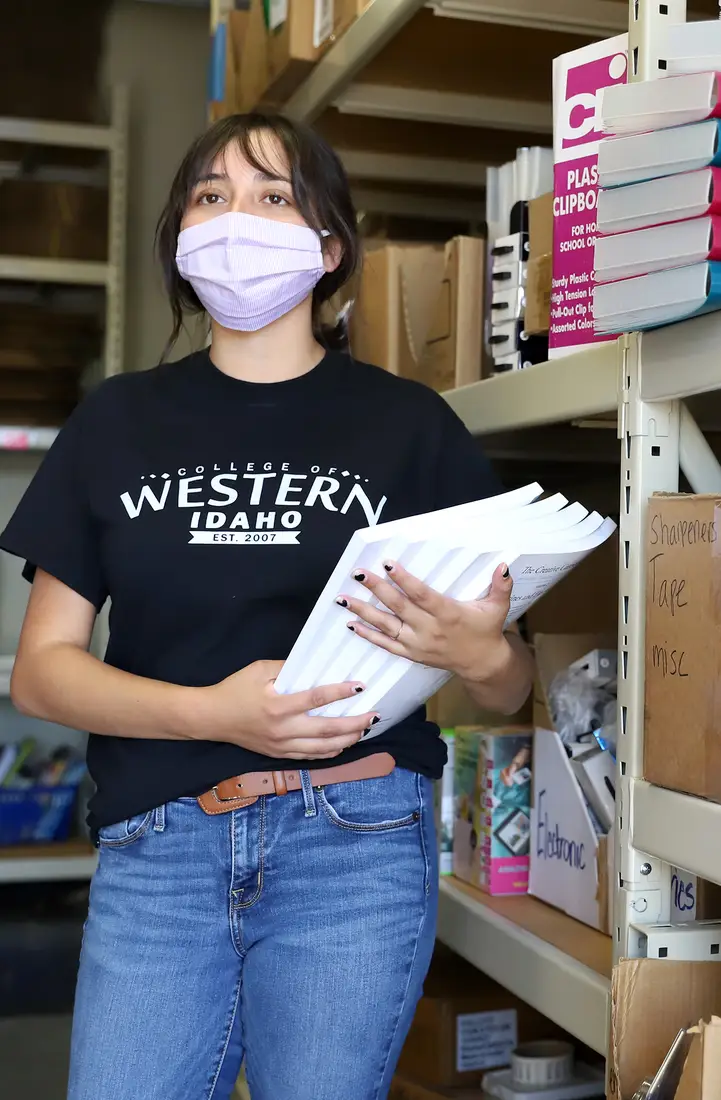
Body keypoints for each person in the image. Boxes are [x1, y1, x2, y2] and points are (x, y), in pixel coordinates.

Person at [1, 113, 534, 1100]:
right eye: (209, 197)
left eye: (270, 196)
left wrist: (476, 647)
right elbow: (42, 668)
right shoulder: (116, 421)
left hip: (357, 842)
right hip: (159, 843)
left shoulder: (408, 426)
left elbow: (508, 686)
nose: (233, 219)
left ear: (328, 245)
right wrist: (216, 711)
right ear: (178, 238)